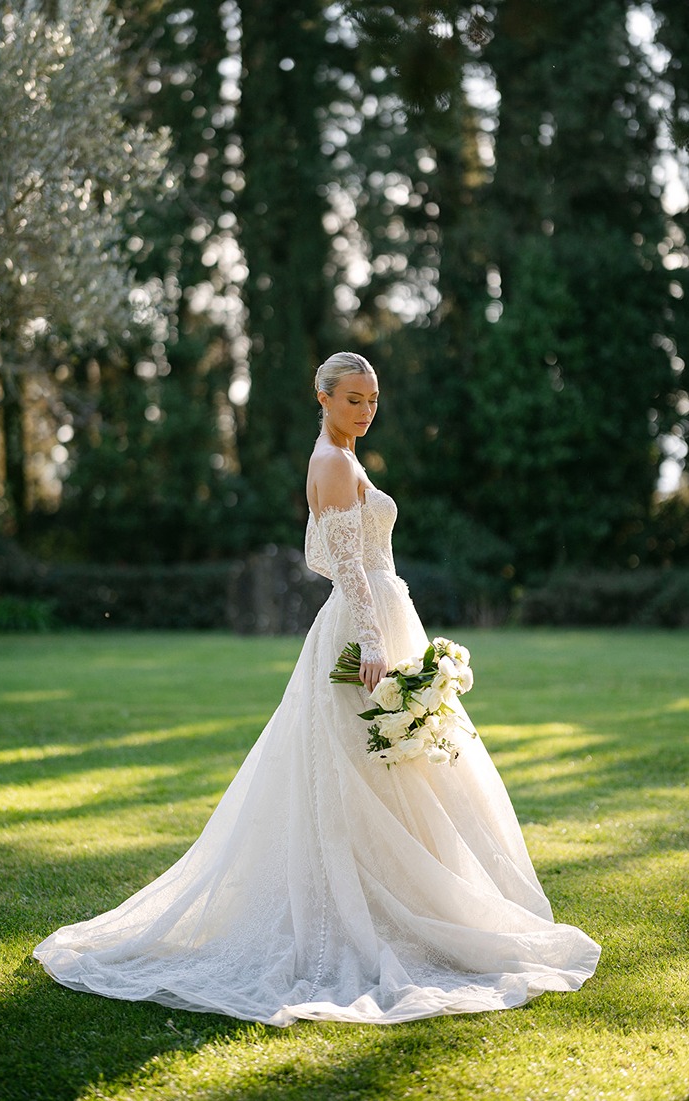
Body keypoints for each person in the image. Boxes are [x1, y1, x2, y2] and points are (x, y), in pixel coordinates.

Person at [34, 351, 600, 1025]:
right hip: (366, 631)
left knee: (396, 767)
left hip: (384, 619)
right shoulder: (332, 462)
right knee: (362, 764)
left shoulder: (342, 457)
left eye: (373, 398)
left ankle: (400, 893)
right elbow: (349, 564)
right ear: (323, 397)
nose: (365, 410)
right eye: (353, 399)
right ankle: (362, 910)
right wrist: (373, 641)